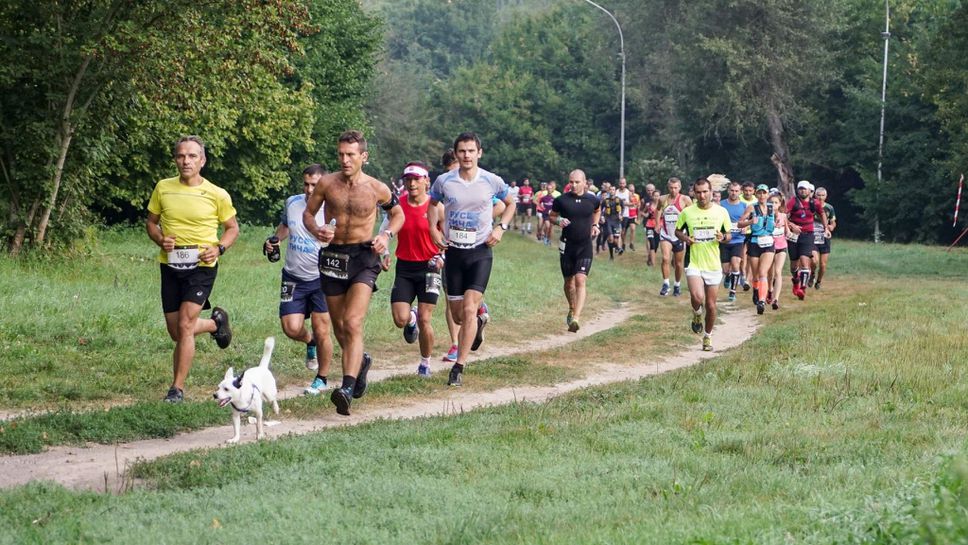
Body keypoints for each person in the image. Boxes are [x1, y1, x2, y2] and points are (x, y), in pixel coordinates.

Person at [303, 130, 404, 416]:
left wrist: (385, 235)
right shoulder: (326, 183)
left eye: (351, 155)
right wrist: (316, 229)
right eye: (341, 155)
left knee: (353, 321)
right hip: (333, 256)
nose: (345, 160)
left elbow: (398, 215)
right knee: (339, 327)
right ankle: (360, 362)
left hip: (364, 256)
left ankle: (346, 388)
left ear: (364, 157)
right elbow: (308, 214)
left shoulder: (376, 188)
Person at [146, 135, 238, 403]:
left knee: (185, 326)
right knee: (176, 331)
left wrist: (219, 248)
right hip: (171, 265)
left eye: (192, 156)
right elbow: (151, 223)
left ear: (202, 160)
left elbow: (232, 228)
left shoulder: (217, 193)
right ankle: (215, 324)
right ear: (176, 159)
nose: (186, 161)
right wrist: (160, 238)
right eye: (181, 156)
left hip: (202, 266)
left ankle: (177, 389)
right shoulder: (163, 188)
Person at [428, 132, 514, 387]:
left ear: (479, 153)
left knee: (468, 308)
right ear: (456, 154)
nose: (466, 155)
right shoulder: (444, 181)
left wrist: (501, 228)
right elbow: (432, 204)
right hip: (454, 252)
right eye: (462, 151)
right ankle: (478, 322)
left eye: (470, 151)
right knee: (457, 316)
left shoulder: (491, 180)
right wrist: (434, 229)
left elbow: (510, 203)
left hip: (480, 252)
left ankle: (459, 367)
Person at [264, 164, 334, 395]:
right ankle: (310, 342)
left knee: (322, 328)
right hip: (293, 275)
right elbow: (285, 226)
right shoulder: (293, 202)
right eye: (306, 183)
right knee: (291, 328)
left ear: (324, 183)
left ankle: (321, 378)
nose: (309, 189)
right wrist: (275, 240)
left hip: (322, 278)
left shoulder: (332, 207)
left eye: (315, 184)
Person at [386, 162, 445, 377]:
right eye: (408, 179)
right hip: (405, 267)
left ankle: (425, 363)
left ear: (426, 181)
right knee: (400, 319)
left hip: (430, 267)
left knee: (425, 318)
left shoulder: (436, 206)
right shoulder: (397, 205)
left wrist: (442, 257)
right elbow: (386, 230)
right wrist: (384, 252)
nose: (412, 184)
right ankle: (410, 319)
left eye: (416, 179)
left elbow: (447, 237)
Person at [675, 178, 732, 351]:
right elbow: (677, 231)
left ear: (711, 191)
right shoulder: (687, 212)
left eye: (705, 192)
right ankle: (696, 313)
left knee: (711, 305)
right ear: (694, 192)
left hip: (713, 264)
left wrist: (723, 238)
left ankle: (707, 336)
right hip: (694, 262)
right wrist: (686, 238)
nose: (702, 195)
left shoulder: (721, 212)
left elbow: (728, 234)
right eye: (698, 192)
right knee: (698, 297)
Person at [549, 169, 601, 332]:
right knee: (568, 283)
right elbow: (551, 216)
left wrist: (595, 225)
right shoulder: (561, 200)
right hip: (567, 246)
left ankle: (576, 319)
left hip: (584, 246)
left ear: (585, 183)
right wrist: (558, 220)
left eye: (577, 182)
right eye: (571, 182)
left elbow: (597, 210)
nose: (573, 185)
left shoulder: (593, 200)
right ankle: (572, 308)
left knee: (580, 280)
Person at [737, 184, 776, 314]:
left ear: (767, 194)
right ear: (756, 194)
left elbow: (782, 218)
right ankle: (755, 289)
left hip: (769, 242)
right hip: (754, 242)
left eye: (764, 193)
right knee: (755, 275)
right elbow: (739, 223)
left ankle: (762, 301)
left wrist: (781, 224)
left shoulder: (772, 208)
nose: (761, 195)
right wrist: (749, 222)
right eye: (759, 193)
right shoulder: (751, 207)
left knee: (763, 273)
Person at [786, 180, 827, 300]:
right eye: (800, 189)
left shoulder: (815, 203)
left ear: (810, 191)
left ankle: (802, 289)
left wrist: (826, 228)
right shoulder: (793, 201)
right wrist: (791, 225)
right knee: (794, 265)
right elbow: (783, 215)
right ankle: (795, 281)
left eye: (805, 189)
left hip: (808, 235)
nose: (803, 191)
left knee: (805, 261)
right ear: (798, 190)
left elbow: (822, 214)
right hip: (793, 235)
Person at [657, 177, 692, 296]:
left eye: (676, 188)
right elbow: (657, 210)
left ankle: (677, 285)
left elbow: (691, 215)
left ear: (680, 188)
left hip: (679, 235)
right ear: (668, 187)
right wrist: (657, 224)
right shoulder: (662, 199)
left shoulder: (685, 199)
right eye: (671, 188)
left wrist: (690, 232)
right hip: (666, 233)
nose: (673, 190)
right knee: (666, 258)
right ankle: (666, 284)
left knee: (678, 263)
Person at [719, 181, 746, 302]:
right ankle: (728, 277)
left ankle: (733, 292)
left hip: (738, 240)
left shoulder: (744, 206)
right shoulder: (721, 205)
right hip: (724, 241)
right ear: (728, 191)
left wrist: (746, 227)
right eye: (732, 190)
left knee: (735, 264)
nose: (734, 193)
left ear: (740, 192)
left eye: (736, 191)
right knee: (725, 269)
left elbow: (750, 220)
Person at [811, 187, 837, 289]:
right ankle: (812, 274)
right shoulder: (811, 206)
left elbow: (833, 221)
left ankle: (818, 281)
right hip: (813, 236)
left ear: (826, 196)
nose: (820, 197)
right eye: (818, 195)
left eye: (822, 195)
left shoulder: (829, 208)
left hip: (824, 237)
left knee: (823, 264)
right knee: (814, 261)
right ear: (815, 195)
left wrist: (831, 226)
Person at [767, 191, 789, 310]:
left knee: (778, 271)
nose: (773, 205)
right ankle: (770, 289)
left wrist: (791, 233)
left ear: (780, 204)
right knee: (769, 273)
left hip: (781, 246)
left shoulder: (783, 216)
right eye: (771, 203)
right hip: (769, 247)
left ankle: (776, 299)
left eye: (776, 203)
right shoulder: (765, 216)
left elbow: (787, 230)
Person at [600, 184, 624, 260]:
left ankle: (616, 248)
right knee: (611, 238)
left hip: (616, 221)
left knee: (616, 240)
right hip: (608, 221)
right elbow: (600, 209)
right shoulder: (605, 201)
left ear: (615, 191)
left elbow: (623, 208)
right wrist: (602, 217)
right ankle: (613, 254)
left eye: (613, 190)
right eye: (610, 190)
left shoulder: (619, 200)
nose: (612, 191)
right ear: (608, 191)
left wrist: (621, 215)